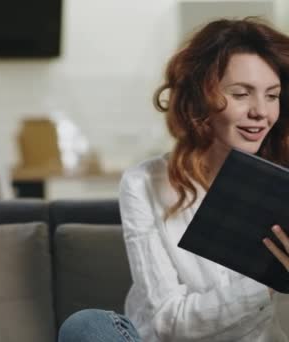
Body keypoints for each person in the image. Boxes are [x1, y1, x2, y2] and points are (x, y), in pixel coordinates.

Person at [58, 17, 289, 342]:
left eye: (272, 95)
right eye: (241, 94)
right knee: (86, 326)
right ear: (200, 99)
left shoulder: (283, 189)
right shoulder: (144, 183)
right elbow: (169, 321)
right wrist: (269, 282)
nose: (260, 111)